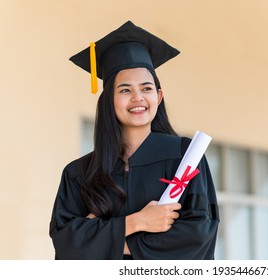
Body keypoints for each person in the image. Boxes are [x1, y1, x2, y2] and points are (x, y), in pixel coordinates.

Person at [49, 20, 219, 260]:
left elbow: (198, 234)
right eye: (125, 90)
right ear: (109, 100)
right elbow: (66, 244)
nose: (138, 98)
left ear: (159, 97)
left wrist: (102, 238)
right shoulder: (78, 173)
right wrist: (136, 222)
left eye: (147, 88)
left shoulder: (184, 157)